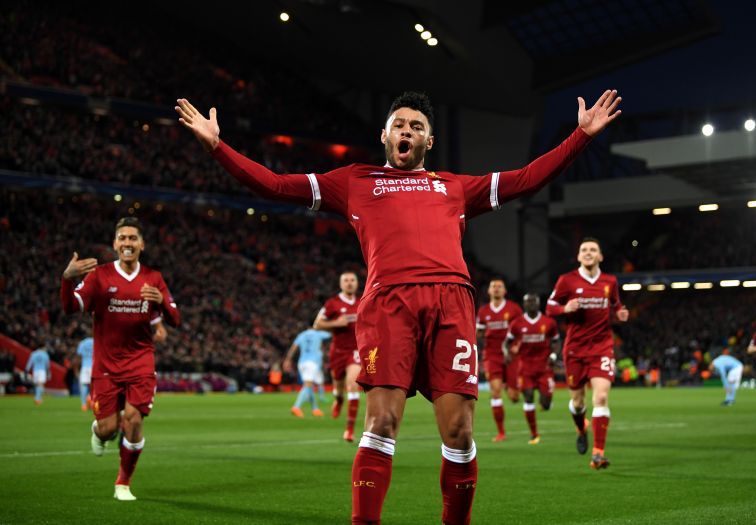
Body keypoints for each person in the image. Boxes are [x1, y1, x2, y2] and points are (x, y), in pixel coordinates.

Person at [177, 88, 621, 524]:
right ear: (385, 136)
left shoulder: (454, 187)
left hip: (452, 303)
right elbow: (275, 184)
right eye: (399, 125)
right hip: (388, 303)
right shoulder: (353, 181)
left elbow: (527, 178)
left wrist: (579, 137)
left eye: (417, 126)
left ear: (429, 141)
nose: (407, 131)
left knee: (460, 432)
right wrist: (218, 147)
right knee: (382, 423)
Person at [60, 216, 180, 501]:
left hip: (141, 361)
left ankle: (122, 483)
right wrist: (67, 280)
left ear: (142, 244)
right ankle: (99, 431)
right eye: (122, 238)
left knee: (134, 420)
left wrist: (162, 303)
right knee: (109, 428)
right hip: (106, 366)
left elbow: (175, 319)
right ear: (115, 244)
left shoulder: (154, 278)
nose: (128, 243)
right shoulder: (99, 276)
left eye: (133, 238)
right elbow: (70, 308)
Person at [546, 237, 628, 470]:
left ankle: (598, 454)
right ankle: (582, 429)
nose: (589, 253)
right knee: (577, 402)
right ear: (579, 256)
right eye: (584, 250)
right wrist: (565, 308)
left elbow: (616, 304)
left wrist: (620, 312)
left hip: (602, 347)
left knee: (600, 398)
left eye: (593, 249)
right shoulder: (567, 280)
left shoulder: (610, 281)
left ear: (600, 256)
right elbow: (550, 307)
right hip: (574, 349)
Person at [503, 293, 560, 444]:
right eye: (528, 302)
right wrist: (507, 353)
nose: (531, 304)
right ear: (524, 304)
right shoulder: (517, 323)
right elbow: (506, 343)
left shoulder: (549, 323)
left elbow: (556, 341)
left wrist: (554, 356)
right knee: (528, 397)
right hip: (525, 368)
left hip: (544, 368)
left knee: (546, 404)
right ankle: (534, 434)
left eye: (533, 302)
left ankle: (546, 402)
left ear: (538, 303)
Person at [314, 271, 362, 441]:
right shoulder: (332, 304)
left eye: (352, 280)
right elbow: (317, 324)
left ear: (356, 283)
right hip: (338, 352)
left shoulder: (363, 302)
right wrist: (336, 323)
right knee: (338, 388)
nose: (349, 283)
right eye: (346, 280)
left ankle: (349, 430)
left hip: (355, 352)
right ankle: (339, 400)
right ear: (341, 284)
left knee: (353, 386)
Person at [475, 279, 523, 442]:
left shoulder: (514, 309)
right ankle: (501, 432)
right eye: (493, 287)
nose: (496, 289)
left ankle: (513, 387)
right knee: (495, 391)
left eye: (499, 286)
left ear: (505, 291)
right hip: (492, 355)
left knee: (514, 397)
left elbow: (522, 330)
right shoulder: (483, 311)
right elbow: (479, 333)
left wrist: (517, 346)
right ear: (488, 291)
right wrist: (475, 333)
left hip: (511, 355)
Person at [283, 325, 333, 418]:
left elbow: (294, 347)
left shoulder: (301, 335)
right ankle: (296, 407)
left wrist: (288, 359)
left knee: (309, 387)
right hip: (312, 363)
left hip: (302, 363)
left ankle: (315, 409)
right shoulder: (318, 334)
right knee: (308, 386)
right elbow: (330, 334)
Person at [76, 333, 94, 411]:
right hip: (93, 366)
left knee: (83, 385)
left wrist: (77, 368)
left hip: (84, 366)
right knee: (93, 386)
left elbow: (79, 356)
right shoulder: (95, 342)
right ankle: (92, 401)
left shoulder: (82, 343)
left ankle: (83, 405)